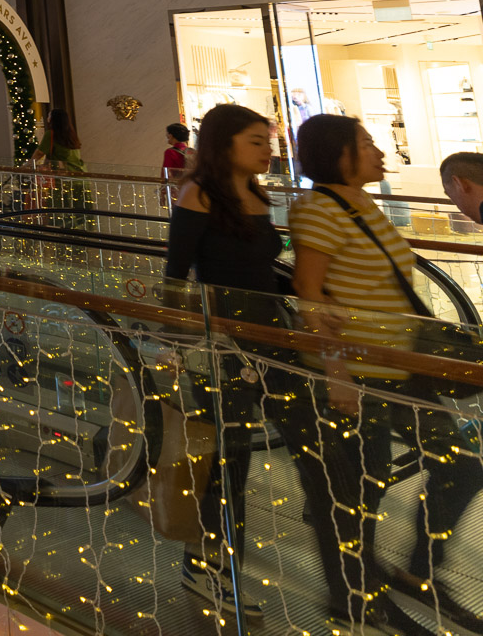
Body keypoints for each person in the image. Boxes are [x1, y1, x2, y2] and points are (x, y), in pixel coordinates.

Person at [164, 104, 352, 621]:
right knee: (231, 464)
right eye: (256, 140)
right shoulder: (197, 194)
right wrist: (174, 339)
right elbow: (177, 273)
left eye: (266, 140)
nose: (267, 149)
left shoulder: (256, 193)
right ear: (224, 144)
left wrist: (307, 297)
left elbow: (259, 268)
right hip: (225, 347)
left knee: (310, 443)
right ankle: (208, 569)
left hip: (272, 336)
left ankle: (347, 578)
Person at [293, 115, 483, 615]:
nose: (379, 151)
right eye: (366, 143)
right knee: (365, 484)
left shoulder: (366, 204)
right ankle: (357, 591)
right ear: (338, 154)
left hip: (400, 365)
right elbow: (310, 295)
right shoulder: (316, 208)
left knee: (461, 465)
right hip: (358, 370)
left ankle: (417, 571)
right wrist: (335, 373)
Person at [161, 122, 192, 186]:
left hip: (177, 188)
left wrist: (163, 190)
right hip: (191, 187)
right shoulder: (192, 152)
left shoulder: (170, 152)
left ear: (171, 135)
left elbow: (166, 174)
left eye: (167, 133)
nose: (166, 136)